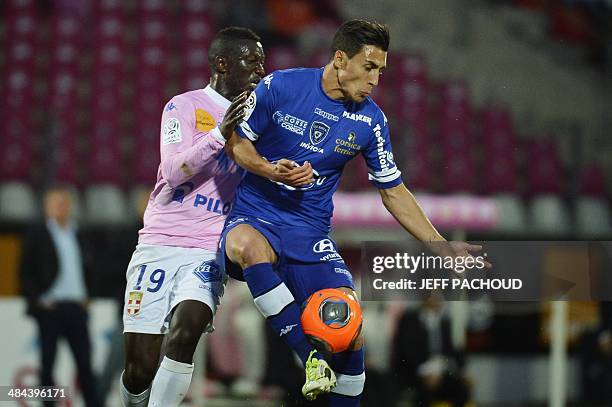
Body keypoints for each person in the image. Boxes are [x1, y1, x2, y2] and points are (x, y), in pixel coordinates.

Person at [222, 19, 485, 404]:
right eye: (369, 67)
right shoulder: (281, 86)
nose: (376, 79)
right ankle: (310, 356)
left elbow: (393, 191)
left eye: (381, 70)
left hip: (308, 233)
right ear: (340, 59)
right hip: (255, 215)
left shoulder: (371, 121)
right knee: (248, 246)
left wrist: (442, 247)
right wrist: (268, 168)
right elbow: (237, 144)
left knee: (349, 328)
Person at [120, 27, 312, 407]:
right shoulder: (184, 106)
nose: (260, 68)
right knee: (140, 366)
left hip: (208, 248)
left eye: (262, 60)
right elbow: (173, 172)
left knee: (186, 332)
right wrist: (218, 136)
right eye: (250, 60)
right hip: (160, 243)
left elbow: (262, 172)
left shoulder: (263, 119)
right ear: (222, 63)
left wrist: (287, 173)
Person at [19, 185, 101, 407]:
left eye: (63, 203)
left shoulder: (80, 233)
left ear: (70, 206)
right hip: (51, 309)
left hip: (77, 308)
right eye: (55, 203)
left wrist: (89, 295)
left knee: (85, 365)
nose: (60, 208)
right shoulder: (38, 235)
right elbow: (25, 272)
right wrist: (39, 300)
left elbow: (91, 268)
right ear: (46, 207)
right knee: (48, 366)